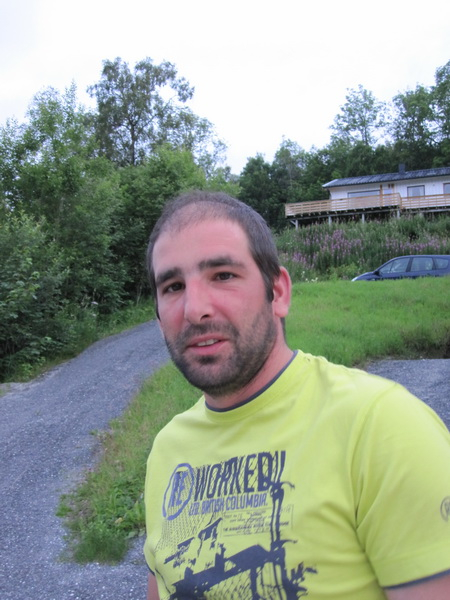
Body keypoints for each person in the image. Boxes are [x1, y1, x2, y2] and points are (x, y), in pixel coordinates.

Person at [143, 190, 450, 600]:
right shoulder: (166, 451)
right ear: (158, 315)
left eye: (223, 275)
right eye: (173, 286)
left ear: (279, 292)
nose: (194, 308)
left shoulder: (383, 427)